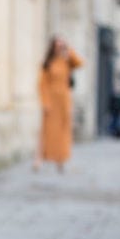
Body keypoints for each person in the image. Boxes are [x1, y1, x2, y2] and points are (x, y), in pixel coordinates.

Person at [35, 35, 84, 171]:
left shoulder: (67, 61)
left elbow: (80, 63)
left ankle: (61, 159)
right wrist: (45, 102)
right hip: (51, 100)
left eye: (61, 45)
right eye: (57, 45)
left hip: (64, 101)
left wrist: (69, 50)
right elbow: (42, 84)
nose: (59, 48)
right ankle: (39, 159)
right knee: (46, 131)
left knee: (63, 131)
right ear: (52, 47)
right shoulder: (47, 63)